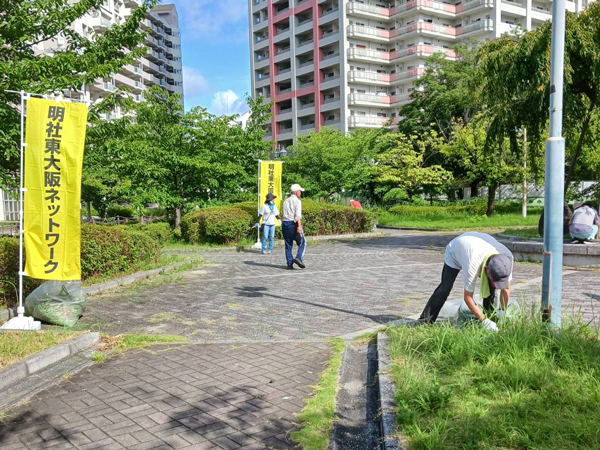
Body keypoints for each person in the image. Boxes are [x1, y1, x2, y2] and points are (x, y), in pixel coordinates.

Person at [419, 232, 514, 332]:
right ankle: (425, 321)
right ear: (486, 269)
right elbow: (468, 297)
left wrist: (502, 311)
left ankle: (491, 316)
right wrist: (483, 320)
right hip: (455, 251)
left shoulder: (506, 259)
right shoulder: (472, 264)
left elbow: (506, 288)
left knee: (491, 286)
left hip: (476, 245)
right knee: (445, 288)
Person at [282, 184, 306, 270]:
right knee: (302, 242)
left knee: (288, 244)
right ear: (296, 192)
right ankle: (299, 257)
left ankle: (289, 263)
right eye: (300, 191)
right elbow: (297, 216)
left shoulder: (286, 201)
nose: (300, 193)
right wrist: (299, 226)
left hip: (285, 223)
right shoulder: (297, 201)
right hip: (293, 223)